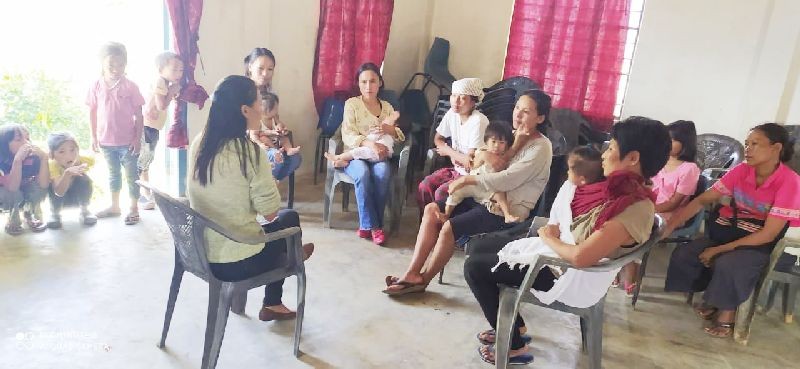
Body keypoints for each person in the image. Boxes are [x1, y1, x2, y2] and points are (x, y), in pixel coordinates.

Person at [465, 117, 670, 365]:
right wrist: (555, 228)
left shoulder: (636, 207)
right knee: (477, 246)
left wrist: (549, 237)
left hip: (570, 274)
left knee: (475, 267)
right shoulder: (619, 190)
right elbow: (576, 220)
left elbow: (581, 257)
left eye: (612, 148)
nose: (604, 154)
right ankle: (514, 327)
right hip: (562, 258)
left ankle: (515, 347)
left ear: (633, 158)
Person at [383, 90, 554, 295]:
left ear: (541, 117)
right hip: (482, 196)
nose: (517, 114)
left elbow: (507, 179)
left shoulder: (541, 147)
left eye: (525, 111)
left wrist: (467, 179)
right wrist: (484, 155)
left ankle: (422, 281)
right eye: (517, 108)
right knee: (431, 210)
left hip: (503, 209)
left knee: (449, 227)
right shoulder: (514, 134)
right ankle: (411, 272)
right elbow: (482, 156)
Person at [187, 75, 314, 321]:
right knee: (289, 221)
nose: (261, 108)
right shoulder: (249, 153)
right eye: (258, 103)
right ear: (245, 110)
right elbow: (269, 212)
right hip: (235, 262)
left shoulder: (200, 142)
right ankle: (275, 295)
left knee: (284, 225)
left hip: (200, 251)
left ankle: (290, 256)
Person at [664, 123, 800, 338]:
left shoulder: (790, 182)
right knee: (686, 253)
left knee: (730, 263)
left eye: (755, 144)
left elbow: (769, 234)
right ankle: (714, 297)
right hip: (729, 231)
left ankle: (727, 314)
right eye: (747, 144)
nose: (748, 149)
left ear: (776, 148)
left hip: (759, 243)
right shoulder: (742, 170)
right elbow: (702, 200)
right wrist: (670, 225)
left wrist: (719, 250)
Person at [617, 120, 701, 295]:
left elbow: (675, 203)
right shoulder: (660, 161)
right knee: (618, 217)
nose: (668, 145)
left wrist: (647, 208)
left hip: (671, 213)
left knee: (635, 224)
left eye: (673, 140)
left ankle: (630, 271)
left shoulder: (690, 169)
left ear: (685, 143)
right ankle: (622, 266)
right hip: (649, 205)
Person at [339, 62, 405, 245]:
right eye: (364, 82)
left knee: (382, 174)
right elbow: (348, 134)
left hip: (379, 156)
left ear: (380, 83)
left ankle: (368, 225)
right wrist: (371, 144)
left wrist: (388, 129)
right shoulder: (351, 104)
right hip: (356, 154)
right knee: (362, 173)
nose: (368, 86)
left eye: (373, 81)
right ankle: (374, 226)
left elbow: (399, 136)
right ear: (358, 84)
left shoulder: (388, 108)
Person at [87, 41, 145, 225]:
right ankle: (114, 206)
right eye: (111, 65)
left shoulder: (130, 87)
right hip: (106, 142)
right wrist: (94, 136)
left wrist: (137, 138)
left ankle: (134, 208)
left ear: (125, 64)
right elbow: (92, 112)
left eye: (120, 65)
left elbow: (139, 115)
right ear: (102, 64)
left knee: (132, 175)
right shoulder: (96, 85)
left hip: (127, 141)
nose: (115, 69)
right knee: (113, 174)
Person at [416, 78, 489, 215]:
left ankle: (442, 227)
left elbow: (470, 163)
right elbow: (438, 139)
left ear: (473, 102)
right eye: (454, 96)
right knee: (424, 186)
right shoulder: (452, 114)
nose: (456, 101)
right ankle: (426, 224)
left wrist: (448, 151)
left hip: (471, 177)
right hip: (456, 170)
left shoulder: (478, 121)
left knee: (442, 193)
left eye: (463, 98)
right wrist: (453, 154)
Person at [244, 47, 302, 182]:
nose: (265, 74)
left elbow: (275, 119)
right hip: (248, 142)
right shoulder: (242, 91)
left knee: (295, 158)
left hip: (270, 142)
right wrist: (261, 138)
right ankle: (263, 187)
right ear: (251, 67)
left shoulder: (269, 94)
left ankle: (269, 184)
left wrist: (280, 128)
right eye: (261, 68)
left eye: (270, 69)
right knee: (276, 158)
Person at [444, 122, 520, 224]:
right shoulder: (482, 152)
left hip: (487, 188)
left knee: (500, 194)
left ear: (507, 145)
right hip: (472, 184)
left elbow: (512, 153)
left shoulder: (505, 157)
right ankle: (446, 215)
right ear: (486, 142)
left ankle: (507, 215)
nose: (497, 146)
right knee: (455, 192)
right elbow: (473, 166)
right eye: (493, 141)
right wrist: (482, 157)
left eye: (501, 143)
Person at [138, 51, 184, 210]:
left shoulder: (165, 83)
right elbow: (161, 106)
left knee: (145, 161)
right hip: (146, 126)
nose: (178, 73)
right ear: (160, 69)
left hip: (152, 126)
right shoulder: (160, 81)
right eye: (174, 69)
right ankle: (143, 195)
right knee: (143, 162)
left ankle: (143, 193)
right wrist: (173, 91)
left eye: (181, 70)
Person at [0, 124, 49, 235]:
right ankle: (12, 216)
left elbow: (44, 185)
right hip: (5, 192)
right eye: (19, 139)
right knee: (14, 194)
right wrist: (17, 161)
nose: (26, 143)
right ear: (4, 144)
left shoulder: (33, 157)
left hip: (24, 188)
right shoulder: (1, 160)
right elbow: (12, 188)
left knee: (37, 189)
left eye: (27, 138)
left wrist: (44, 158)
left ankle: (29, 212)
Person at [46, 132, 97, 229]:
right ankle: (55, 214)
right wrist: (67, 174)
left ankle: (84, 210)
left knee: (84, 179)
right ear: (52, 154)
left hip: (76, 198)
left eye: (72, 150)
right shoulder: (53, 165)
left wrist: (78, 164)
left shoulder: (82, 160)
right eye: (61, 152)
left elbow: (93, 159)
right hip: (61, 197)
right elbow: (58, 192)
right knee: (53, 185)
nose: (69, 155)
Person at [248, 92, 302, 181]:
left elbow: (281, 124)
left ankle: (288, 150)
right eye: (275, 108)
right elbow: (253, 135)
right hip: (266, 149)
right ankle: (271, 180)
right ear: (267, 110)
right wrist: (260, 144)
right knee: (264, 139)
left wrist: (282, 129)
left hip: (277, 143)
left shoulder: (274, 118)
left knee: (295, 156)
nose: (277, 110)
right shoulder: (257, 120)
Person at [325, 111, 400, 167]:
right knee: (359, 154)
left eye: (391, 116)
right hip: (379, 154)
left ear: (394, 125)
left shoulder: (384, 130)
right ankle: (344, 163)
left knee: (357, 151)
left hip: (378, 153)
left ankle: (338, 157)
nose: (386, 117)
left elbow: (372, 137)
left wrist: (368, 137)